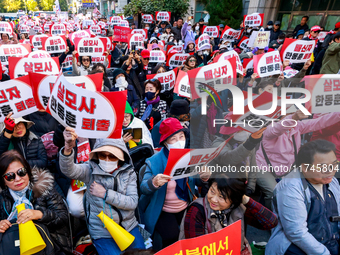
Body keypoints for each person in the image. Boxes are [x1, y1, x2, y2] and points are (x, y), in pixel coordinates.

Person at [59, 130, 145, 255]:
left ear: (121, 157)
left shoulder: (129, 172)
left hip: (128, 226)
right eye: (102, 155)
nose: (107, 159)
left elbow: (132, 202)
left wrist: (106, 193)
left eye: (112, 156)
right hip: (102, 231)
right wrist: (68, 148)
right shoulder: (89, 170)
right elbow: (69, 170)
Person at [139, 118, 211, 250]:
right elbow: (143, 187)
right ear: (165, 142)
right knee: (171, 237)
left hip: (186, 205)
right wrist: (154, 182)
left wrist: (204, 177)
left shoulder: (189, 157)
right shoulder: (154, 161)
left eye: (181, 136)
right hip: (163, 209)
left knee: (193, 235)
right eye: (173, 139)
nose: (179, 142)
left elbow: (195, 181)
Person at [266, 140, 340, 255]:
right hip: (296, 247)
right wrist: (324, 253)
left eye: (334, 164)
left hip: (329, 241)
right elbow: (296, 232)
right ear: (305, 168)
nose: (331, 170)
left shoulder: (332, 181)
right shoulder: (290, 187)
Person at [256, 111, 340, 210]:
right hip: (264, 168)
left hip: (287, 169)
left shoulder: (297, 127)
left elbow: (319, 122)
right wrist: (293, 117)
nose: (291, 115)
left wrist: (338, 114)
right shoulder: (269, 129)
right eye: (287, 114)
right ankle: (272, 219)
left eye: (292, 113)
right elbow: (278, 129)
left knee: (298, 190)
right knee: (272, 192)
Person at [180, 174, 278, 254]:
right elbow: (194, 249)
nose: (213, 199)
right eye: (212, 191)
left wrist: (246, 200)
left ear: (234, 199)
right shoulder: (197, 210)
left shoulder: (238, 207)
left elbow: (271, 222)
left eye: (221, 197)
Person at [0, 150, 72, 254]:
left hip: (50, 246)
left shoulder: (44, 187)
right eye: (10, 176)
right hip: (14, 248)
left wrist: (39, 214)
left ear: (28, 171)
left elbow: (63, 217)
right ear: (4, 181)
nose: (18, 179)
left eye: (21, 172)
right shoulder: (2, 198)